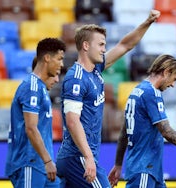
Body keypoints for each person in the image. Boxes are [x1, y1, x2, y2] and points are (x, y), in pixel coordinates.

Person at [56, 9, 161, 188]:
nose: (105, 49)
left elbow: (125, 46)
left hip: (80, 156)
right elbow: (72, 121)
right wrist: (89, 159)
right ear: (86, 46)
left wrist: (147, 22)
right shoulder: (76, 78)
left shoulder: (95, 70)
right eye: (101, 44)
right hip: (78, 157)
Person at [108, 54, 176, 188]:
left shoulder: (136, 91)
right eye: (174, 79)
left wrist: (118, 164)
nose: (173, 85)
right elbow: (166, 132)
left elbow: (124, 133)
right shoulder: (151, 93)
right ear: (166, 72)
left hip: (152, 171)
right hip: (144, 170)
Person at [5, 38, 66, 188]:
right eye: (59, 59)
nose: (62, 64)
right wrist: (47, 160)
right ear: (47, 58)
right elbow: (31, 128)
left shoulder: (40, 88)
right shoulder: (31, 87)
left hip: (42, 164)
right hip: (29, 163)